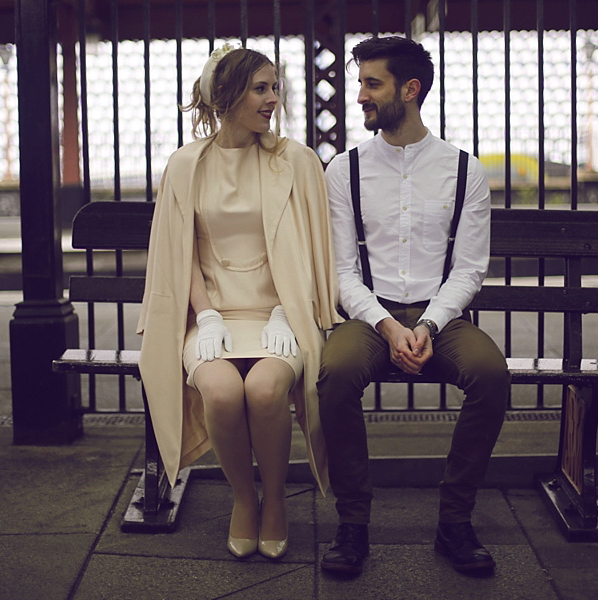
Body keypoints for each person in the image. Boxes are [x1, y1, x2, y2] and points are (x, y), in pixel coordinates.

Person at [136, 44, 341, 560]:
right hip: (213, 317)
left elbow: (316, 250)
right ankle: (244, 499)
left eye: (275, 87)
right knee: (223, 392)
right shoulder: (186, 166)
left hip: (281, 314)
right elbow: (178, 255)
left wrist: (286, 311)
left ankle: (275, 500)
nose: (274, 98)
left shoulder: (296, 161)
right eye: (261, 88)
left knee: (268, 388)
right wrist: (204, 316)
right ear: (225, 96)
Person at [317, 36, 511, 575]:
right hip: (368, 312)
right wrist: (384, 324)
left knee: (491, 374)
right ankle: (352, 524)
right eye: (360, 84)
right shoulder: (344, 171)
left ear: (410, 89)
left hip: (440, 315)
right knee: (333, 373)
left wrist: (426, 323)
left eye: (371, 84)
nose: (360, 96)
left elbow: (470, 267)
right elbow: (341, 272)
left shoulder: (464, 170)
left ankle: (455, 522)